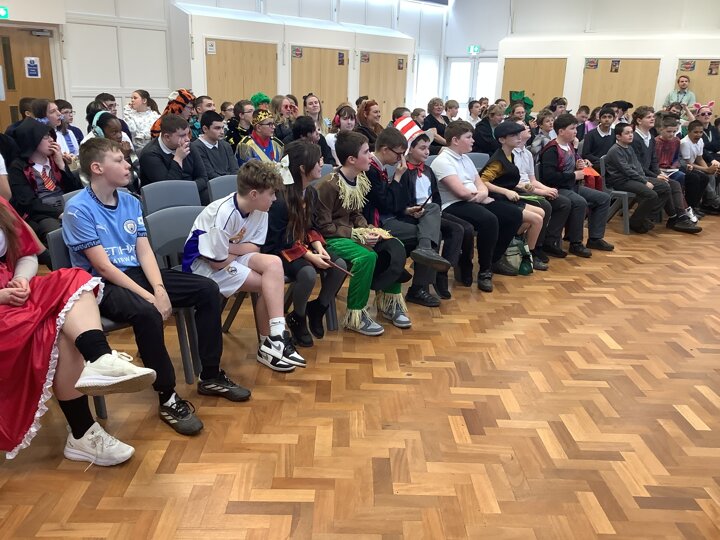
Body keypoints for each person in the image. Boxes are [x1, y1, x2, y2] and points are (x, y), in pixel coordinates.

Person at [64, 138, 250, 437]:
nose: (128, 165)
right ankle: (167, 396)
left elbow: (144, 251)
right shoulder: (78, 209)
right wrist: (151, 297)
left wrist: (159, 289)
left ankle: (211, 375)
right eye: (119, 160)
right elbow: (103, 267)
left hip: (136, 274)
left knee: (207, 289)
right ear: (97, 168)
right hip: (100, 285)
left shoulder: (130, 201)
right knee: (147, 312)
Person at [0, 196, 155, 463]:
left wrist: (21, 279)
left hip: (13, 289)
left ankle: (101, 359)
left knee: (75, 278)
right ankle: (83, 433)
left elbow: (25, 253)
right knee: (56, 331)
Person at [182, 160, 305, 372]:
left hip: (227, 257)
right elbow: (216, 261)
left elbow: (255, 247)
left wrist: (229, 248)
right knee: (270, 285)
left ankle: (277, 335)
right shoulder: (223, 213)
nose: (275, 199)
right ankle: (268, 345)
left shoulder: (261, 210)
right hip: (204, 267)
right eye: (272, 194)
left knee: (274, 263)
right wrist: (231, 251)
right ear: (254, 194)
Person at [314, 130, 410, 335]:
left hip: (351, 232)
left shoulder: (359, 179)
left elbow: (356, 213)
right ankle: (356, 314)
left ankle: (390, 302)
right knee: (366, 257)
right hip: (330, 239)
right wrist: (356, 234)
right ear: (351, 159)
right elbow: (323, 227)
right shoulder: (328, 185)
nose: (371, 156)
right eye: (366, 152)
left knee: (395, 245)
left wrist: (367, 228)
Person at [262, 141, 347, 346]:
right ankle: (298, 317)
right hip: (280, 250)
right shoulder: (279, 199)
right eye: (317, 160)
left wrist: (318, 247)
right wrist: (310, 256)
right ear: (302, 168)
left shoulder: (311, 193)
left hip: (302, 244)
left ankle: (318, 307)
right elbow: (280, 240)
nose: (322, 163)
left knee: (339, 265)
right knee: (308, 273)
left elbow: (312, 226)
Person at [431, 121, 523, 292]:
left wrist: (482, 194)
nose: (473, 140)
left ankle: (493, 259)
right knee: (489, 220)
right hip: (452, 205)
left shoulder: (465, 158)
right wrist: (480, 196)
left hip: (474, 199)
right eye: (469, 137)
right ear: (455, 140)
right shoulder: (442, 161)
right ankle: (485, 270)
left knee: (514, 215)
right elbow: (460, 193)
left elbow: (480, 183)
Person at [364, 126, 451, 308]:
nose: (400, 158)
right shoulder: (370, 169)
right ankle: (418, 288)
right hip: (378, 224)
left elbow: (392, 204)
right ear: (385, 149)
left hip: (392, 217)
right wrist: (397, 177)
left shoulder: (380, 168)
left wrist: (407, 210)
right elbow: (384, 204)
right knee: (433, 235)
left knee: (432, 208)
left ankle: (424, 254)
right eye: (399, 154)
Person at [397, 117, 475, 298]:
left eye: (427, 147)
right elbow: (401, 201)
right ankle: (426, 278)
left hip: (432, 211)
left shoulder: (428, 170)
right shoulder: (404, 172)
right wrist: (412, 210)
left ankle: (442, 271)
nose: (427, 152)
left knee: (461, 228)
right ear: (410, 150)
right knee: (441, 232)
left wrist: (437, 210)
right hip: (414, 214)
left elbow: (436, 196)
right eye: (422, 148)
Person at [538, 113, 613, 256]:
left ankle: (595, 238)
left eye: (575, 128)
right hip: (557, 188)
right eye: (572, 128)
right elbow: (549, 176)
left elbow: (570, 167)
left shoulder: (569, 146)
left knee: (603, 198)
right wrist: (574, 175)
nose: (575, 131)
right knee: (580, 202)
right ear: (561, 131)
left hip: (571, 186)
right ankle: (575, 242)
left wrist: (578, 165)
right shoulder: (552, 149)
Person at [479, 121, 548, 271]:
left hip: (506, 197)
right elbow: (483, 181)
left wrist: (523, 186)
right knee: (536, 219)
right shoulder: (497, 160)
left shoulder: (510, 155)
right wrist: (506, 191)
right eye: (513, 135)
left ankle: (512, 244)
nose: (518, 137)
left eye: (518, 134)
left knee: (541, 212)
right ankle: (528, 256)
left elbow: (506, 180)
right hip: (495, 199)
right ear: (502, 139)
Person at [8, 119, 81, 254]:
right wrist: (59, 213)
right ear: (32, 140)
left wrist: (62, 166)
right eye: (46, 137)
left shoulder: (56, 160)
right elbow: (28, 202)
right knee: (57, 231)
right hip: (42, 213)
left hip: (67, 205)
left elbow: (75, 190)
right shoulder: (18, 167)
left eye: (51, 135)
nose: (52, 140)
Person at [630, 107, 700, 233]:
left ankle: (679, 217)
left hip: (646, 173)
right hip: (636, 175)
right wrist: (656, 175)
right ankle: (643, 218)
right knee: (665, 185)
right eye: (649, 117)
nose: (653, 119)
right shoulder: (634, 138)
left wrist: (658, 172)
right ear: (639, 121)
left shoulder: (650, 137)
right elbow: (637, 165)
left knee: (674, 183)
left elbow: (653, 161)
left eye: (653, 116)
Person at [512, 120, 571, 262]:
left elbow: (532, 180)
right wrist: (541, 192)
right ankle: (535, 246)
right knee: (545, 205)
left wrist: (547, 189)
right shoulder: (511, 153)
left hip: (529, 188)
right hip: (517, 190)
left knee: (563, 202)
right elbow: (515, 183)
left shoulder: (527, 153)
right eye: (523, 127)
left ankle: (549, 242)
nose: (528, 127)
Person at [604, 122, 671, 234]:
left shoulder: (629, 147)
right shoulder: (615, 150)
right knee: (651, 194)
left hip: (633, 179)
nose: (631, 135)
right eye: (627, 133)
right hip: (621, 181)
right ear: (618, 137)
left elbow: (637, 166)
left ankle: (643, 218)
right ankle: (636, 221)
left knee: (665, 187)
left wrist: (644, 178)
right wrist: (644, 181)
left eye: (631, 132)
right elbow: (626, 170)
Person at [139, 114, 210, 204]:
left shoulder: (188, 145)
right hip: (163, 200)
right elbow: (168, 189)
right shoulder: (149, 155)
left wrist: (187, 190)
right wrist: (178, 158)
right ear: (167, 137)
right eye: (182, 135)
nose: (187, 139)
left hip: (190, 192)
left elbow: (203, 178)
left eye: (188, 134)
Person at [655, 115, 708, 219]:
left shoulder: (676, 141)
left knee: (694, 176)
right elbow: (653, 160)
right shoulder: (655, 142)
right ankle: (681, 209)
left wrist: (683, 165)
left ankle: (689, 207)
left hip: (672, 169)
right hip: (659, 170)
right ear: (661, 130)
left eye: (674, 131)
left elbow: (678, 157)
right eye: (669, 131)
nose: (672, 134)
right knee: (684, 177)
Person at [81, 111, 140, 192]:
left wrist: (127, 157)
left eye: (120, 131)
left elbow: (135, 180)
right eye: (114, 132)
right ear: (99, 133)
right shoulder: (91, 154)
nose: (120, 136)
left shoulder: (124, 148)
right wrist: (123, 158)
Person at [680, 120, 720, 214]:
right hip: (686, 167)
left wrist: (709, 170)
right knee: (703, 176)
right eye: (695, 132)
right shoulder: (685, 143)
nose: (698, 135)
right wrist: (706, 169)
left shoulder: (700, 141)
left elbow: (699, 158)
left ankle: (708, 203)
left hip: (694, 165)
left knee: (711, 174)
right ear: (689, 132)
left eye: (701, 132)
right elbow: (687, 163)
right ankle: (713, 199)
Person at [190, 111, 239, 180]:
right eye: (217, 128)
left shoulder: (226, 145)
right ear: (205, 129)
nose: (222, 132)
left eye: (222, 128)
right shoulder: (196, 147)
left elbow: (235, 169)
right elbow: (209, 174)